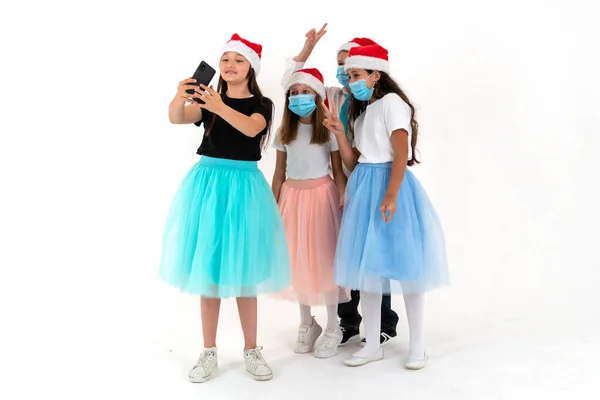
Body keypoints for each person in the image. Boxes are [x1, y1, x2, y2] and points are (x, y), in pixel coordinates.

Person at [160, 33, 290, 382]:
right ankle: (208, 351)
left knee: (245, 273)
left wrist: (217, 106)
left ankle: (251, 348)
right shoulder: (208, 100)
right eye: (225, 60)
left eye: (238, 60)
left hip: (244, 186)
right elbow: (176, 117)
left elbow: (251, 130)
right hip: (208, 184)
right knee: (210, 272)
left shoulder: (261, 104)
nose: (229, 65)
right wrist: (180, 95)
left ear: (251, 68)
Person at [322, 43, 449, 369]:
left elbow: (400, 151)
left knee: (407, 268)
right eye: (349, 75)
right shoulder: (364, 112)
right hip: (364, 185)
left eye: (356, 74)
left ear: (376, 74)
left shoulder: (393, 104)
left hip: (390, 188)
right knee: (369, 272)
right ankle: (373, 342)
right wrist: (339, 134)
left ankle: (417, 345)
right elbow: (356, 159)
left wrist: (391, 194)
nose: (351, 81)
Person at [282, 25, 399, 347]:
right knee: (342, 254)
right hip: (340, 185)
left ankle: (384, 321)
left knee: (371, 252)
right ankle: (348, 322)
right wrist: (306, 50)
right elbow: (294, 82)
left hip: (370, 177)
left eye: (350, 64)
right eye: (340, 64)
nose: (345, 70)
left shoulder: (376, 102)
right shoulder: (330, 97)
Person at [272, 68, 347, 358]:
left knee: (323, 259)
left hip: (321, 197)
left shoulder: (327, 129)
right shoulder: (284, 133)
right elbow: (279, 174)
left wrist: (343, 197)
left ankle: (333, 326)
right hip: (293, 197)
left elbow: (338, 172)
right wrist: (273, 204)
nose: (299, 97)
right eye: (293, 92)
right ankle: (306, 323)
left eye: (305, 92)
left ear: (317, 96)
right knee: (297, 260)